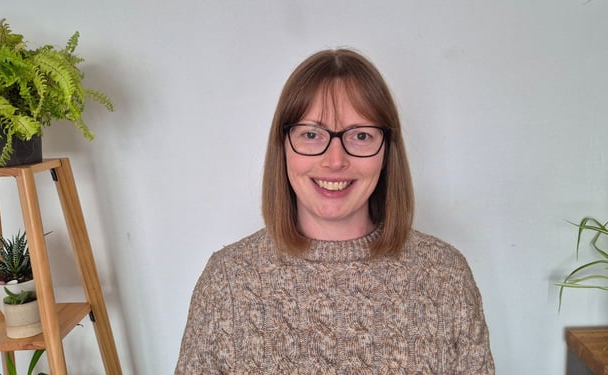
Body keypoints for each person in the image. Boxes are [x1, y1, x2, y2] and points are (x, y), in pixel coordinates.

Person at [175, 48, 495, 374]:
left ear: (387, 150)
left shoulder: (444, 276)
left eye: (361, 135)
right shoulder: (227, 282)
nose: (335, 160)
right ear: (283, 145)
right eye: (312, 134)